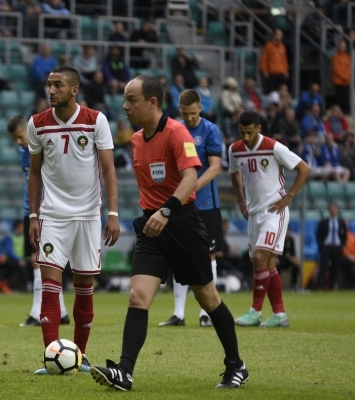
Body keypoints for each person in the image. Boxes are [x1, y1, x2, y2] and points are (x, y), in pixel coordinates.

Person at [90, 75, 246, 391]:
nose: (125, 105)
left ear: (153, 102)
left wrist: (167, 210)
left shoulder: (177, 133)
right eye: (124, 98)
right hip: (151, 226)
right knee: (137, 296)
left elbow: (190, 177)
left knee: (208, 297)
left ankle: (236, 365)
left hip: (182, 222)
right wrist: (153, 213)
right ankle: (125, 371)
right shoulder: (135, 140)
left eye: (131, 99)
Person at [28, 65, 119, 374]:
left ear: (74, 90)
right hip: (53, 215)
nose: (51, 90)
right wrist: (33, 215)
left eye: (58, 85)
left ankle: (79, 356)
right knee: (49, 284)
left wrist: (113, 214)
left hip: (88, 217)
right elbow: (34, 171)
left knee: (84, 286)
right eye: (49, 85)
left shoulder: (96, 120)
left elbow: (109, 170)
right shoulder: (37, 124)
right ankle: (50, 356)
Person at [229, 111, 310, 328]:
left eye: (249, 132)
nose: (245, 137)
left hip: (274, 212)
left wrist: (289, 197)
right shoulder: (234, 149)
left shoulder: (274, 147)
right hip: (254, 214)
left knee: (258, 257)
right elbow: (234, 173)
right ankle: (280, 315)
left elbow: (304, 168)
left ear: (258, 129)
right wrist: (240, 200)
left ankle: (255, 312)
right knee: (268, 263)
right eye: (242, 132)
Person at [158, 88, 224, 328]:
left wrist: (192, 185)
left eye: (194, 113)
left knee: (208, 255)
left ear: (201, 108)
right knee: (179, 255)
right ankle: (178, 314)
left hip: (206, 203)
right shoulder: (175, 129)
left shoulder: (210, 130)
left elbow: (215, 167)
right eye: (185, 114)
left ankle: (206, 312)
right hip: (181, 204)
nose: (190, 118)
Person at [7, 115, 70, 327]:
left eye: (20, 137)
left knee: (40, 261)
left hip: (46, 210)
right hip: (30, 211)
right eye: (15, 139)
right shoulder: (22, 151)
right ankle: (60, 312)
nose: (18, 142)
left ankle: (37, 313)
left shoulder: (44, 146)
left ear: (29, 131)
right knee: (42, 261)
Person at [315, 203, 347, 290]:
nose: (333, 210)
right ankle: (320, 286)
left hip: (337, 247)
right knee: (323, 267)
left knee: (335, 268)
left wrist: (342, 245)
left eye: (334, 208)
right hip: (326, 247)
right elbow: (319, 234)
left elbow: (344, 235)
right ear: (329, 210)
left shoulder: (341, 222)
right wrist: (321, 246)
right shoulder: (323, 222)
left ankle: (332, 286)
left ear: (337, 210)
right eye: (331, 209)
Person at [259, 29, 289, 94]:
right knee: (269, 91)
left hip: (281, 73)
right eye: (278, 35)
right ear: (274, 35)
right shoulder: (268, 46)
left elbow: (284, 60)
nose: (280, 36)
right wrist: (264, 70)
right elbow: (264, 59)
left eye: (281, 35)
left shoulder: (282, 47)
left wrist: (286, 70)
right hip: (271, 73)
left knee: (280, 91)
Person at [277, 226, 300, 291]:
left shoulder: (291, 240)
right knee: (277, 264)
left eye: (288, 231)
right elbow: (279, 253)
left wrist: (294, 259)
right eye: (286, 230)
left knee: (296, 265)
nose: (287, 232)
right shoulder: (279, 240)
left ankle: (294, 284)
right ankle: (277, 284)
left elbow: (293, 253)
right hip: (281, 259)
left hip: (289, 260)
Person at [331, 39, 351, 115]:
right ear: (338, 46)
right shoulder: (335, 57)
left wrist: (346, 77)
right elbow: (336, 69)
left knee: (346, 98)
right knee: (339, 98)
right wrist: (344, 77)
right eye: (341, 45)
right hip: (338, 81)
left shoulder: (347, 57)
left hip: (346, 82)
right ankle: (338, 113)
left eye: (344, 46)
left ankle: (346, 112)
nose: (342, 47)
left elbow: (349, 68)